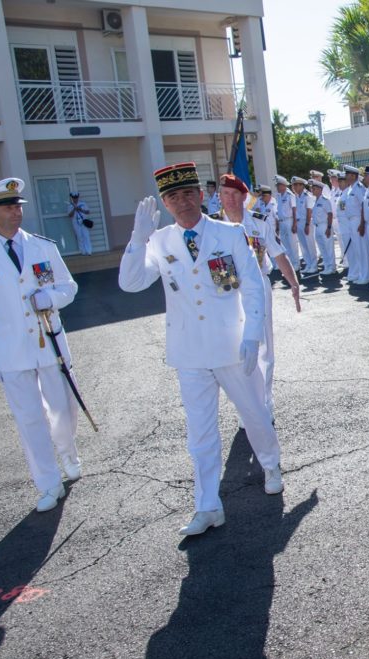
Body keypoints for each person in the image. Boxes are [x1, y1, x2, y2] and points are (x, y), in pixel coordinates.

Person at [119, 162, 285, 537]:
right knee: (200, 434)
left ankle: (271, 466)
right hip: (190, 352)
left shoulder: (229, 234)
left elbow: (253, 286)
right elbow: (130, 283)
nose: (182, 202)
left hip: (231, 345)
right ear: (165, 202)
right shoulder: (160, 241)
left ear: (200, 195)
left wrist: (252, 334)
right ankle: (208, 506)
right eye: (173, 197)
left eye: (188, 194)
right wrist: (137, 239)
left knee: (255, 413)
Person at [0, 177, 82, 512]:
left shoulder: (43, 246)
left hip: (49, 343)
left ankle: (68, 453)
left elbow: (68, 287)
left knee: (63, 409)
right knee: (29, 418)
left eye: (18, 206)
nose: (16, 212)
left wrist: (50, 297)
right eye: (8, 207)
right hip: (11, 351)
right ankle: (48, 483)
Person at [214, 173, 301, 418]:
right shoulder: (212, 225)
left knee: (263, 347)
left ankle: (264, 401)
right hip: (226, 288)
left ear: (244, 197)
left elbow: (278, 253)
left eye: (234, 194)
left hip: (258, 285)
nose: (229, 200)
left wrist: (293, 283)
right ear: (219, 197)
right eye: (224, 194)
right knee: (234, 349)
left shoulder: (259, 223)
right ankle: (245, 406)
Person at [308, 180, 337, 277]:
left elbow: (330, 214)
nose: (312, 190)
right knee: (322, 248)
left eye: (314, 188)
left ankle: (332, 267)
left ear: (320, 189)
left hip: (324, 225)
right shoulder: (315, 201)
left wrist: (329, 227)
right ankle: (327, 266)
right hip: (317, 226)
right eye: (312, 188)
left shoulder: (325, 200)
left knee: (328, 247)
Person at [275, 175, 301, 275]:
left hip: (289, 221)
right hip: (281, 222)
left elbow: (294, 210)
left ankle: (296, 265)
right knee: (285, 245)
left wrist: (294, 224)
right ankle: (290, 265)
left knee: (292, 244)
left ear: (283, 185)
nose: (277, 187)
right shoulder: (278, 196)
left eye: (278, 185)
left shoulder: (290, 195)